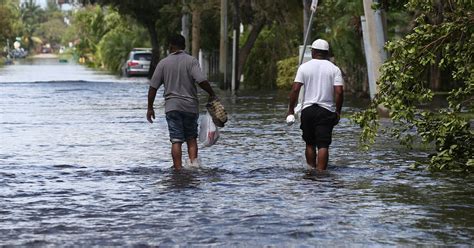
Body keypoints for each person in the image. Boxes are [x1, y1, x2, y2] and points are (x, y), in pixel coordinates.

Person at [147, 34, 217, 170]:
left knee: (176, 140)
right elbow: (201, 80)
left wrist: (150, 108)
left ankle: (178, 170)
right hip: (190, 107)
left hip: (172, 108)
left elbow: (153, 87)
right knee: (191, 139)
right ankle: (193, 166)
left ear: (171, 46)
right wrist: (212, 93)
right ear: (184, 46)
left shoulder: (163, 63)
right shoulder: (191, 61)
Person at [286, 39, 344, 171]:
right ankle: (322, 174)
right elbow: (339, 92)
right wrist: (338, 112)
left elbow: (295, 89)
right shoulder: (334, 69)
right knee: (323, 145)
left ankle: (311, 171)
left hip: (307, 110)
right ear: (327, 53)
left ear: (313, 51)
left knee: (310, 143)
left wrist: (290, 111)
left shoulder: (304, 67)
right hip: (326, 111)